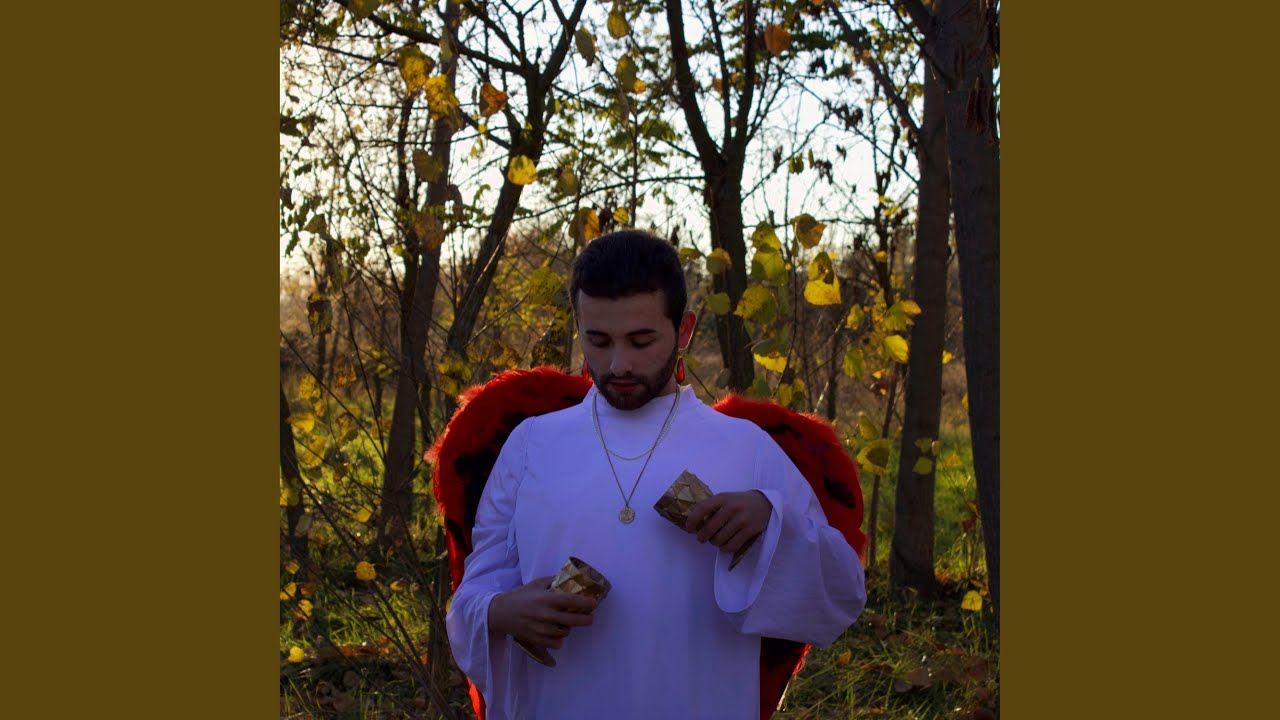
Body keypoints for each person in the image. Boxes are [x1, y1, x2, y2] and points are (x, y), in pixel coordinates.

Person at [445, 229, 866, 719]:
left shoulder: (746, 448)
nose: (618, 364)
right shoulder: (532, 445)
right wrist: (500, 611)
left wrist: (770, 525)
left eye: (641, 340)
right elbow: (473, 595)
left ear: (683, 330)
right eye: (598, 340)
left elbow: (840, 595)